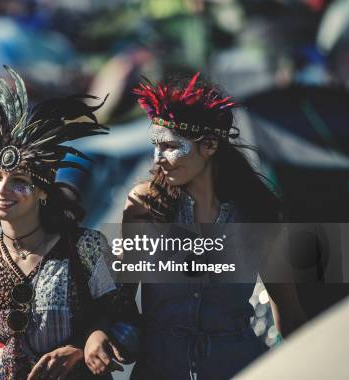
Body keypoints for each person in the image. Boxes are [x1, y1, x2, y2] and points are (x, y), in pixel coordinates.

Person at [101, 72, 294, 380]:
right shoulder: (144, 207)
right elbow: (119, 295)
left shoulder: (257, 212)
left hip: (240, 368)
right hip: (160, 369)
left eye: (170, 147)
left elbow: (287, 309)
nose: (157, 159)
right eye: (155, 146)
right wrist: (96, 334)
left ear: (210, 146)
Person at [0, 66, 137, 379]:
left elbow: (128, 324)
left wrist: (85, 346)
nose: (2, 190)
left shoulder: (85, 249)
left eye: (18, 181)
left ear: (42, 191)